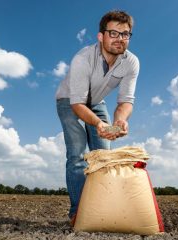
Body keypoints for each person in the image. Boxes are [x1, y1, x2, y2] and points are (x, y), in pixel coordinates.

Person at [56, 10, 140, 224]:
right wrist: (98, 123)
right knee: (77, 153)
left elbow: (125, 101)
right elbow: (77, 103)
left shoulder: (131, 62)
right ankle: (77, 212)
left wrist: (121, 120)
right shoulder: (83, 59)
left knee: (104, 155)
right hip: (69, 100)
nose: (120, 39)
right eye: (113, 33)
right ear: (101, 36)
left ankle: (101, 207)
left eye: (125, 34)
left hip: (96, 102)